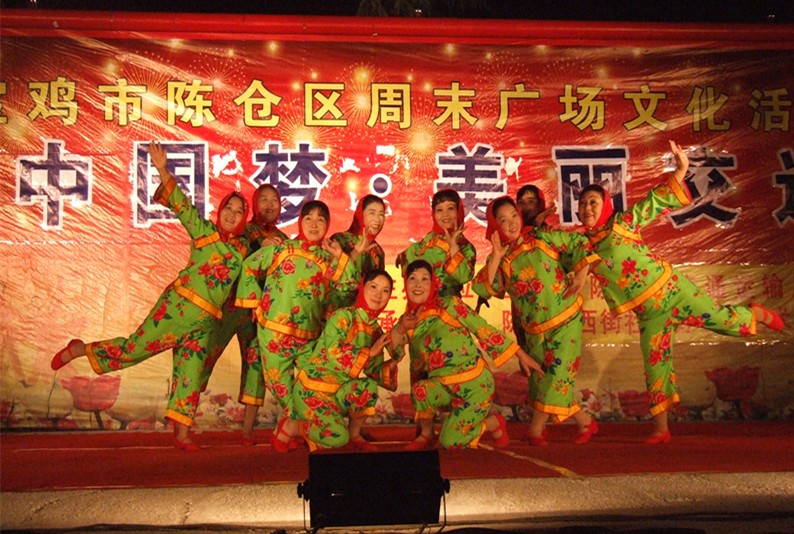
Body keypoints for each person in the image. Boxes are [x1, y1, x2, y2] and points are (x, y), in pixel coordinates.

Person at [578, 140, 785, 444]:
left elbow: (655, 201)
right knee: (656, 366)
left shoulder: (623, 224)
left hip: (674, 291)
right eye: (582, 204)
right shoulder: (581, 247)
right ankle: (661, 428)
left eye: (593, 202)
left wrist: (682, 169)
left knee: (724, 321)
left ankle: (755, 314)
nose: (587, 208)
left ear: (606, 205)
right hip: (649, 314)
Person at [50, 141, 250, 451]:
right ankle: (81, 349)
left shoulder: (244, 250)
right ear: (220, 210)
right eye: (229, 208)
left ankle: (182, 434)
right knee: (133, 350)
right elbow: (182, 204)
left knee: (190, 374)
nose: (232, 215)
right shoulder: (204, 231)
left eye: (239, 212)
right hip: (176, 309)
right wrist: (162, 168)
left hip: (205, 323)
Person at [473, 196, 598, 446]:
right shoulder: (500, 259)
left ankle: (536, 430)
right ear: (495, 226)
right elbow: (482, 288)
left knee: (556, 376)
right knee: (544, 379)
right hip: (534, 330)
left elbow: (580, 243)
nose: (511, 223)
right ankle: (585, 421)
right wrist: (496, 255)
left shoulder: (540, 237)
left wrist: (580, 277)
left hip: (566, 319)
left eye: (514, 216)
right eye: (503, 220)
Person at [235, 200, 358, 452]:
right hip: (274, 332)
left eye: (321, 220)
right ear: (300, 221)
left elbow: (348, 288)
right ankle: (296, 429)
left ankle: (290, 429)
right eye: (308, 218)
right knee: (280, 386)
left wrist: (341, 256)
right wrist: (254, 302)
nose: (314, 224)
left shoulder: (328, 259)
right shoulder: (283, 249)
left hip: (310, 336)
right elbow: (249, 266)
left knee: (310, 385)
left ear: (328, 225)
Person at [391, 259, 543, 450]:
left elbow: (483, 329)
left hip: (474, 385)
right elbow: (398, 352)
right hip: (444, 387)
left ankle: (492, 423)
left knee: (449, 442)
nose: (418, 285)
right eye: (412, 278)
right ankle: (426, 434)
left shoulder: (450, 305)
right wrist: (401, 329)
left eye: (424, 279)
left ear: (433, 283)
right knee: (420, 390)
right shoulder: (408, 320)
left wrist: (521, 354)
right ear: (405, 284)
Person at [200, 183, 288, 446]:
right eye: (264, 199)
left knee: (256, 366)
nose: (269, 205)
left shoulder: (284, 240)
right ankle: (183, 420)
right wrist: (262, 243)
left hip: (257, 315)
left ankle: (247, 432)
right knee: (203, 356)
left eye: (274, 200)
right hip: (228, 307)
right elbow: (243, 249)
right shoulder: (243, 230)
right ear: (254, 204)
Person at [292, 269, 399, 451]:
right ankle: (292, 426)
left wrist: (392, 363)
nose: (378, 294)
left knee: (368, 387)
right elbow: (333, 352)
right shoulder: (343, 316)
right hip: (315, 390)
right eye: (373, 287)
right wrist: (369, 352)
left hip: (340, 392)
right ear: (363, 288)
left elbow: (373, 370)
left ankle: (354, 434)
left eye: (385, 290)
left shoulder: (375, 330)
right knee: (337, 438)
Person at [325, 194, 387, 315]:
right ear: (360, 214)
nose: (377, 219)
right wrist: (356, 252)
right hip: (334, 314)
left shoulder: (378, 252)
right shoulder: (340, 240)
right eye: (372, 213)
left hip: (360, 318)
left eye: (381, 214)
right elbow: (329, 275)